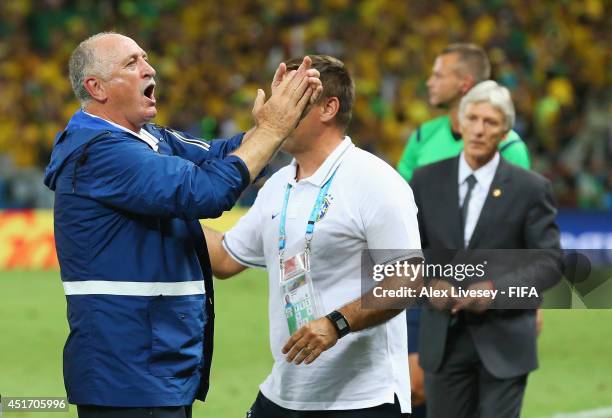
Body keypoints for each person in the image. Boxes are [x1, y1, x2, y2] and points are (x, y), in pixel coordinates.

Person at [43, 32, 322, 418]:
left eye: (145, 57)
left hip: (156, 366)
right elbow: (205, 192)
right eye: (131, 63)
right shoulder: (100, 152)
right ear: (97, 87)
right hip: (128, 376)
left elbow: (222, 155)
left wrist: (275, 122)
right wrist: (272, 130)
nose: (149, 68)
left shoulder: (145, 139)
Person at [204, 55, 422, 417]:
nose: (277, 109)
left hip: (363, 399)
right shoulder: (278, 184)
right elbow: (226, 258)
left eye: (291, 97)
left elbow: (409, 278)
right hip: (285, 393)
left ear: (328, 107)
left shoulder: (375, 181)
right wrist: (162, 208)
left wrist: (338, 322)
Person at [409, 80, 561, 418]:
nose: (479, 130)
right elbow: (409, 253)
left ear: (505, 130)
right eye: (473, 119)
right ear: (460, 123)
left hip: (505, 339)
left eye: (490, 122)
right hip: (442, 339)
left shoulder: (531, 189)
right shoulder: (425, 180)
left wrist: (495, 291)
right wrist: (429, 286)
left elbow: (549, 262)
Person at [395, 43, 532, 417]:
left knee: (441, 387)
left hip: (483, 290)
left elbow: (519, 231)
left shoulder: (511, 148)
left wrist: (525, 299)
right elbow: (402, 213)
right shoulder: (423, 137)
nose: (429, 81)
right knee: (414, 387)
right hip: (426, 280)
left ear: (464, 83)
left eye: (438, 74)